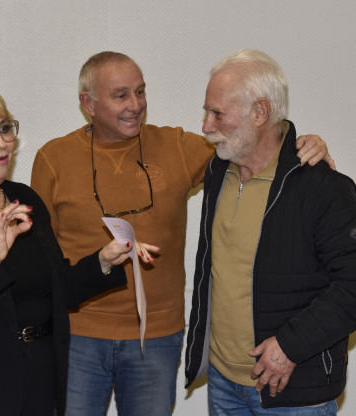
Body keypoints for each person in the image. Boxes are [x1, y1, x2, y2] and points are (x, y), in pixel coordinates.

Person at [31, 51, 332, 416]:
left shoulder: (177, 146)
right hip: (78, 335)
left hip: (156, 338)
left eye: (140, 91)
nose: (135, 105)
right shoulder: (54, 159)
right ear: (88, 104)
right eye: (121, 95)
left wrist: (304, 145)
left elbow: (252, 145)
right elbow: (40, 261)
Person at [0, 83, 156, 416]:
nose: (1, 142)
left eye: (4, 128)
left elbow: (56, 289)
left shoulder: (24, 199)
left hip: (40, 381)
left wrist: (103, 261)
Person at [185, 49, 356, 416]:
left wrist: (290, 346)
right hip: (222, 382)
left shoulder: (323, 187)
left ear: (260, 112)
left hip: (294, 392)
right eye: (206, 112)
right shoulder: (218, 170)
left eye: (217, 113)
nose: (206, 126)